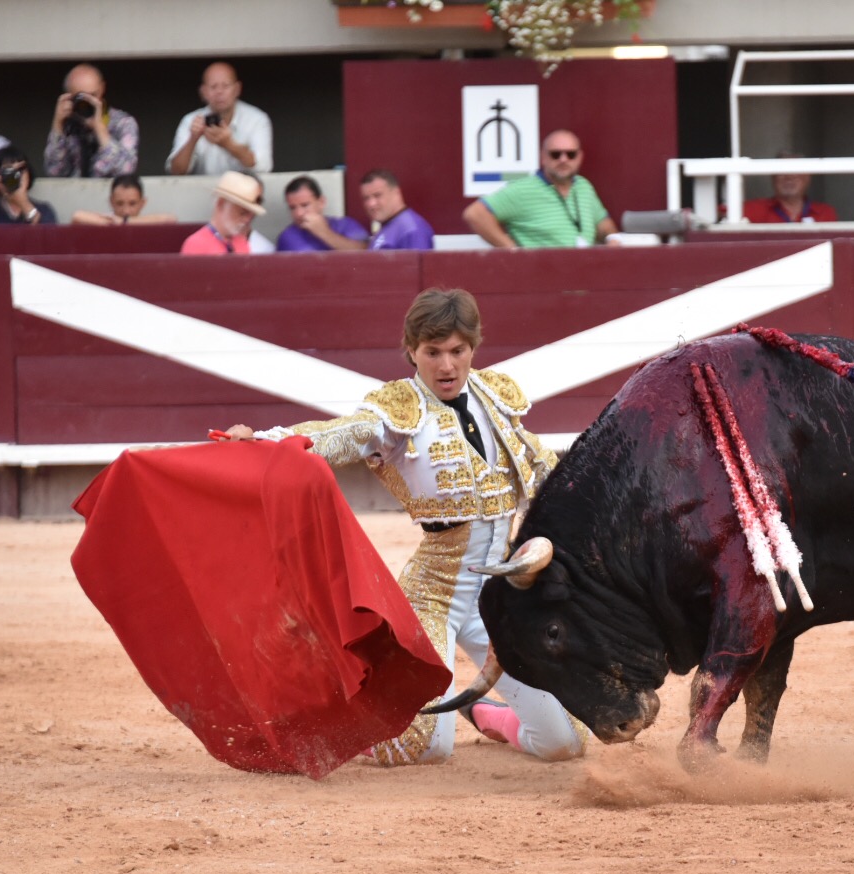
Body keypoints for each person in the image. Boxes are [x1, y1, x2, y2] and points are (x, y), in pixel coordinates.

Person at [222, 288, 583, 767]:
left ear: (473, 349)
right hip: (433, 596)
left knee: (563, 744)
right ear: (412, 350)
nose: (447, 365)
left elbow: (545, 472)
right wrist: (270, 441)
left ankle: (484, 712)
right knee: (427, 747)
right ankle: (350, 733)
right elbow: (344, 434)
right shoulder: (398, 411)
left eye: (458, 351)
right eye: (433, 352)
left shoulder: (496, 397)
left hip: (499, 598)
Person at [462, 129, 618, 248]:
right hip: (542, 279)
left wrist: (612, 239)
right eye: (555, 154)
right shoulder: (523, 190)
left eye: (570, 154)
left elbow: (603, 225)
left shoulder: (584, 186)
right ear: (543, 157)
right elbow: (475, 214)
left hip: (584, 277)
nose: (563, 160)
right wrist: (512, 251)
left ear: (580, 157)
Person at [166, 62, 273, 176]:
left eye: (225, 86)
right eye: (213, 87)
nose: (219, 92)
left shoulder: (257, 119)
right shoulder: (191, 120)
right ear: (203, 92)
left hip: (243, 192)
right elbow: (176, 171)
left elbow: (263, 167)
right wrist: (193, 139)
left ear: (237, 89)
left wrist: (229, 144)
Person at [45, 63, 139, 178]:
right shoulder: (67, 125)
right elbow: (54, 171)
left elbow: (125, 171)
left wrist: (99, 128)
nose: (87, 102)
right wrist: (58, 125)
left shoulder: (122, 123)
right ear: (68, 95)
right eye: (80, 97)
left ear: (102, 89)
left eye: (92, 95)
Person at [0, 145, 56, 226]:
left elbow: (48, 238)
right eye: (9, 171)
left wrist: (23, 203)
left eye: (21, 169)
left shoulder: (44, 209)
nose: (17, 176)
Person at [275, 175, 369, 252]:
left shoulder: (346, 225)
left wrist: (324, 232)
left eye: (305, 205)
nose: (298, 213)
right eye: (292, 208)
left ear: (321, 202)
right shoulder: (287, 237)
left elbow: (366, 253)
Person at [180, 171, 264, 255]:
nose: (247, 219)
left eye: (250, 213)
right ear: (221, 203)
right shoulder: (196, 244)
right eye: (242, 213)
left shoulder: (241, 242)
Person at [359, 169, 435, 251]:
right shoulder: (389, 225)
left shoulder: (412, 231)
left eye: (377, 195)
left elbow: (416, 263)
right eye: (366, 198)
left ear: (396, 193)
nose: (371, 204)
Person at [742, 166, 838, 224]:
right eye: (782, 171)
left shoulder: (825, 213)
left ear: (807, 178)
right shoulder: (752, 209)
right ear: (773, 178)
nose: (788, 177)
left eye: (795, 171)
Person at [70, 175, 179, 225]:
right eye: (119, 203)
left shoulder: (147, 221)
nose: (126, 211)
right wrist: (112, 223)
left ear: (143, 203)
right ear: (111, 201)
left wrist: (124, 222)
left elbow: (170, 219)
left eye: (132, 204)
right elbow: (77, 216)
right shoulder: (108, 220)